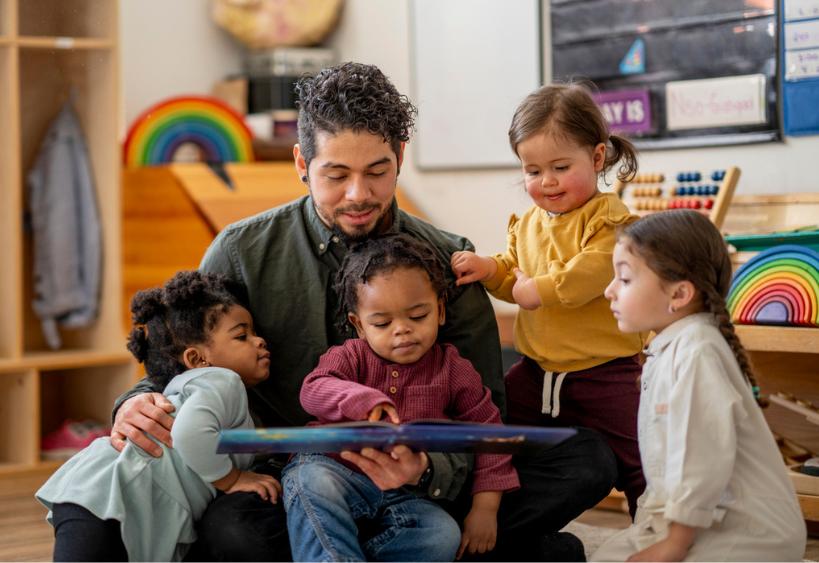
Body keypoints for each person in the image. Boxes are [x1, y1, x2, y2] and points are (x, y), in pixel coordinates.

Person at [110, 63, 617, 561]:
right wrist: (136, 401)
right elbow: (180, 356)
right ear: (301, 164)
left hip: (425, 482)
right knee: (232, 532)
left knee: (588, 457)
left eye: (378, 172)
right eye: (336, 175)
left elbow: (486, 406)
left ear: (399, 156)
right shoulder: (241, 250)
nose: (359, 195)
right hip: (297, 478)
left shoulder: (449, 257)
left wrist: (426, 471)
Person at [451, 82, 646, 516]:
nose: (547, 181)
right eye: (533, 170)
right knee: (494, 428)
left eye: (560, 166)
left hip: (606, 374)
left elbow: (583, 278)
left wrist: (531, 289)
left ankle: (655, 534)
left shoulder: (611, 221)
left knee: (639, 463)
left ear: (597, 158)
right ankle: (487, 514)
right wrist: (489, 269)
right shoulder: (528, 223)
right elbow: (512, 273)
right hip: (538, 374)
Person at [284, 234, 520, 561]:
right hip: (335, 471)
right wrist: (360, 400)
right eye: (382, 323)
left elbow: (489, 433)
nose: (402, 330)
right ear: (359, 326)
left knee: (442, 535)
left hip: (407, 492)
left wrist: (485, 508)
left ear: (439, 311)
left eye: (418, 316)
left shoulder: (452, 368)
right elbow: (313, 389)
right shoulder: (349, 356)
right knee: (309, 482)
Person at [593, 210, 806, 561]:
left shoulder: (697, 351)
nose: (609, 291)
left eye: (625, 279)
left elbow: (700, 458)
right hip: (703, 524)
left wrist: (674, 544)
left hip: (752, 536)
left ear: (679, 294)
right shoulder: (673, 345)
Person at [35, 271, 279, 562]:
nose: (260, 340)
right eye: (242, 336)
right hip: (115, 490)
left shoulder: (188, 386)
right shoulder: (223, 382)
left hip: (103, 488)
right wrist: (232, 479)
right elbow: (190, 434)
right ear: (197, 359)